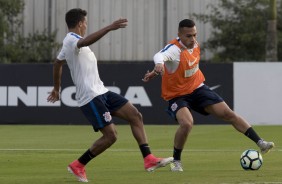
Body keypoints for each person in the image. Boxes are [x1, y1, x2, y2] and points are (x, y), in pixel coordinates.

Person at [47, 8, 172, 183]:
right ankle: (78, 165)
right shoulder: (71, 40)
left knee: (135, 116)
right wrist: (109, 27)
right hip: (90, 97)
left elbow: (57, 63)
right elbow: (83, 43)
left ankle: (149, 159)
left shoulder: (69, 43)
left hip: (102, 92)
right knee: (111, 136)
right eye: (86, 23)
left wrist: (56, 88)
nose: (86, 26)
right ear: (80, 23)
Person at [142, 19, 275, 172]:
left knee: (228, 114)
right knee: (187, 123)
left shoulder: (195, 45)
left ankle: (261, 143)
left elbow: (174, 67)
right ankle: (176, 161)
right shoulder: (174, 49)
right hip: (177, 95)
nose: (193, 39)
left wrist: (155, 72)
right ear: (179, 35)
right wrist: (158, 65)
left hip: (198, 88)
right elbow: (160, 56)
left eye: (194, 35)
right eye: (188, 36)